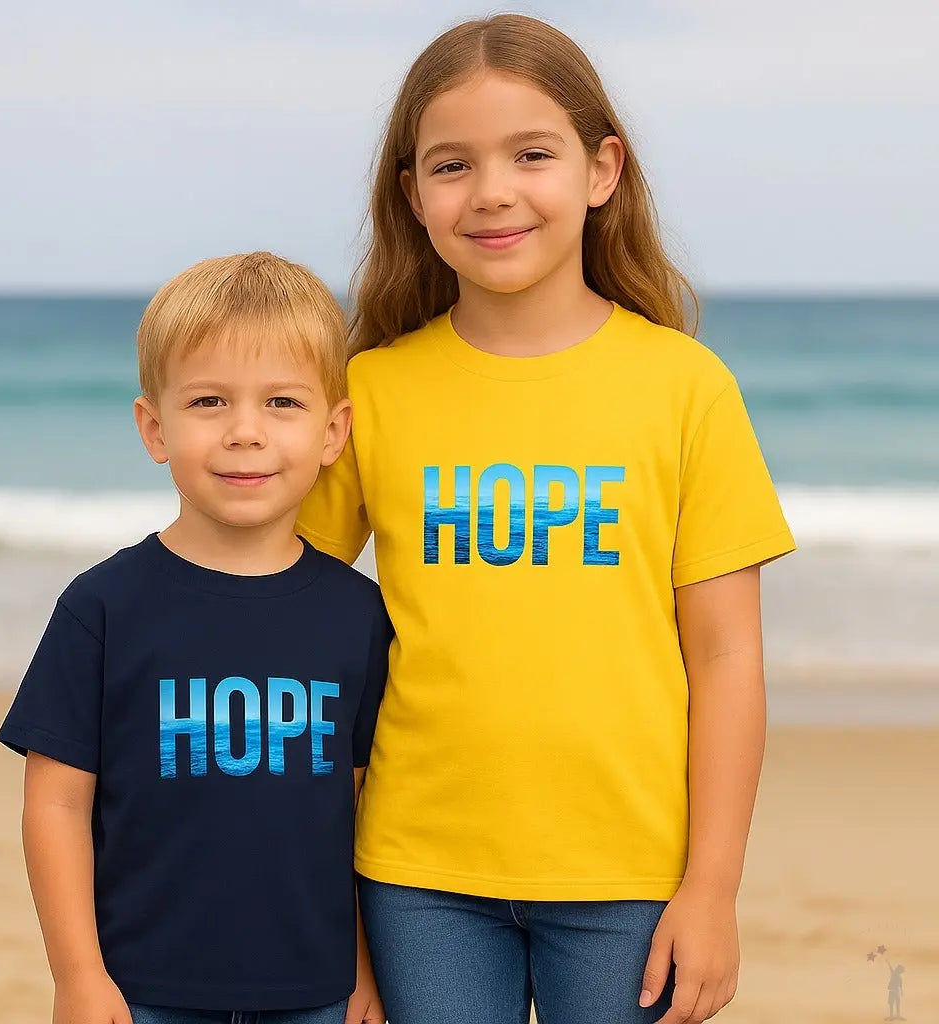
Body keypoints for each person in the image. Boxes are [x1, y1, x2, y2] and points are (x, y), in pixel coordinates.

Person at [296, 14, 795, 1024]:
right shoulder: (372, 391)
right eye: (451, 165)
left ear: (601, 168)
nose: (491, 191)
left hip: (631, 876)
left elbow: (727, 658)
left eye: (532, 154)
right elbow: (282, 619)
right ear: (413, 197)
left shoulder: (684, 388)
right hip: (414, 872)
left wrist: (712, 886)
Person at [0, 252, 390, 1024]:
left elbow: (361, 816)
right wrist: (78, 977)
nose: (245, 433)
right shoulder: (103, 607)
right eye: (209, 401)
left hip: (314, 994)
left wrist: (362, 970)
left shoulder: (359, 616)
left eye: (282, 402)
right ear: (155, 427)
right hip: (143, 990)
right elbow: (56, 806)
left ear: (333, 432)